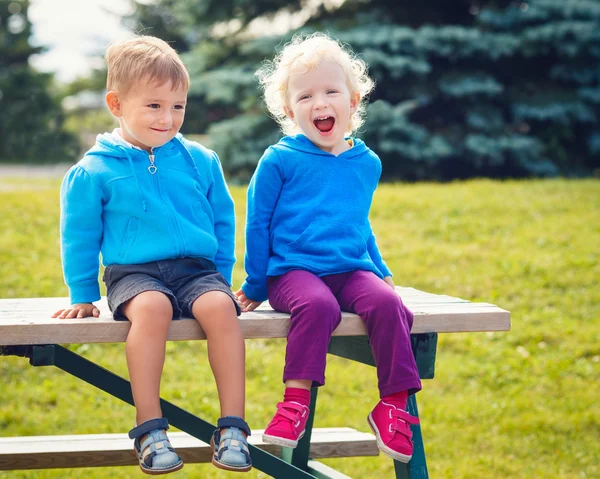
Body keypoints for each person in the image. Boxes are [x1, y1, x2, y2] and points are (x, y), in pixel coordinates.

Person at [52, 35, 251, 475]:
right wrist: (81, 293)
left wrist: (222, 276)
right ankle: (149, 427)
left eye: (178, 106)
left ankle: (233, 427)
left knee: (221, 308)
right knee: (154, 308)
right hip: (133, 272)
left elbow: (222, 219)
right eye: (154, 106)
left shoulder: (201, 160)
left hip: (197, 270)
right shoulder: (93, 170)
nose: (168, 118)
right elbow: (79, 235)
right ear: (117, 104)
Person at [235, 32, 422, 463]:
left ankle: (392, 405)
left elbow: (358, 223)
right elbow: (258, 224)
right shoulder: (279, 159)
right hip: (292, 274)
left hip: (349, 269)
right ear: (289, 110)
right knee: (320, 307)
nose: (320, 103)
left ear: (353, 101)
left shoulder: (367, 163)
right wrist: (256, 284)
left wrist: (380, 269)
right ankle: (295, 402)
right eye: (305, 96)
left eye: (331, 91)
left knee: (388, 304)